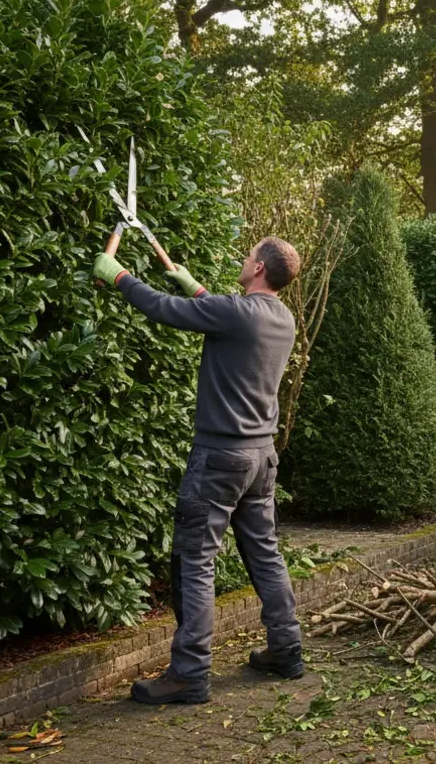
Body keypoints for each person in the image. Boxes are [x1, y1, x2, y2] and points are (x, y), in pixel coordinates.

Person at [91, 236, 306, 705]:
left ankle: (188, 675)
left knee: (196, 561)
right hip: (261, 459)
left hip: (218, 460)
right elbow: (228, 316)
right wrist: (196, 288)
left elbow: (163, 309)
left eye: (250, 256)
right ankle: (286, 650)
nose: (243, 260)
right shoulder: (281, 318)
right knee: (266, 554)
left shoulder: (234, 312)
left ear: (260, 270)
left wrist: (118, 275)